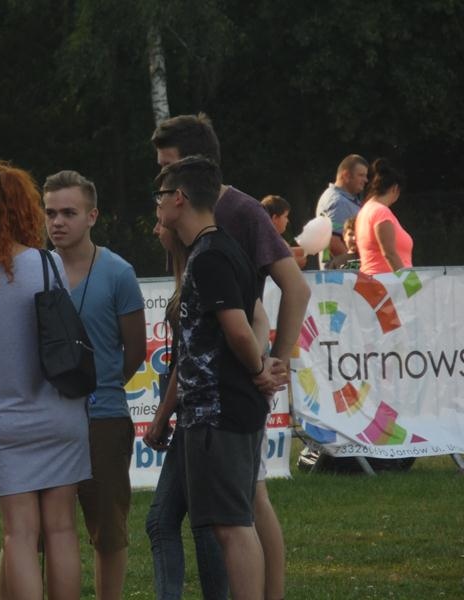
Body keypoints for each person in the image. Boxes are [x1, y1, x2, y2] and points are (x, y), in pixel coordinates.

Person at [151, 113, 310, 600]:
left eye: (165, 170)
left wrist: (270, 367)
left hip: (223, 400)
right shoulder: (195, 237)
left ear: (187, 180)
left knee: (241, 513)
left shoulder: (236, 218)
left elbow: (275, 300)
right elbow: (198, 326)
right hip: (204, 398)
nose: (158, 182)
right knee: (200, 519)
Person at [0, 162, 90, 600]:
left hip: (3, 419)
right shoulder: (48, 262)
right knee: (62, 529)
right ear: (27, 208)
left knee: (19, 535)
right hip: (60, 413)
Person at [43, 169, 147, 600]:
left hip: (103, 417)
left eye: (69, 212)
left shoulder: (118, 272)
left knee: (108, 530)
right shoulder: (34, 270)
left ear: (92, 216)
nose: (57, 222)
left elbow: (135, 350)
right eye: (50, 212)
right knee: (44, 531)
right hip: (46, 418)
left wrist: (102, 386)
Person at [143, 216, 229, 600]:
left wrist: (160, 417)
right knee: (167, 521)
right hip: (193, 416)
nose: (155, 230)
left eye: (159, 223)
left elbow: (187, 359)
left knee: (194, 523)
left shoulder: (198, 271)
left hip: (202, 416)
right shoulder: (189, 272)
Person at [355, 159, 412, 275]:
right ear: (395, 189)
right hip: (387, 282)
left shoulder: (364, 211)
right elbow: (389, 253)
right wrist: (411, 283)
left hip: (373, 280)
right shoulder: (381, 212)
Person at [315, 154, 370, 263]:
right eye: (361, 175)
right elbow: (333, 241)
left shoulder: (340, 198)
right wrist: (356, 266)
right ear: (346, 175)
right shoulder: (339, 201)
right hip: (344, 273)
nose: (366, 180)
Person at [261, 194, 307, 269]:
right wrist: (295, 263)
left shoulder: (272, 238)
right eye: (285, 216)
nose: (287, 221)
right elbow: (274, 266)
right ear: (275, 218)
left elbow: (288, 251)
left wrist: (311, 248)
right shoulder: (270, 241)